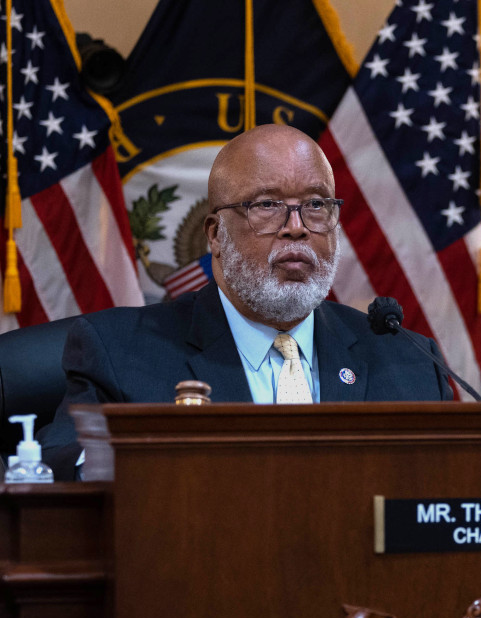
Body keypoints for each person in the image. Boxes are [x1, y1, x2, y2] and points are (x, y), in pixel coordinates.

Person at [38, 124, 452, 480]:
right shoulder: (119, 352)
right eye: (268, 205)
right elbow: (55, 468)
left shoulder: (410, 364)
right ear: (215, 235)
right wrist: (144, 461)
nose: (296, 228)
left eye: (315, 205)